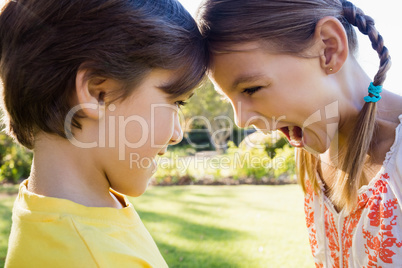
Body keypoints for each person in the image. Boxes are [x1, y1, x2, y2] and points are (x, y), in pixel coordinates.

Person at [1, 0, 207, 267]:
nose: (178, 134)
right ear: (98, 94)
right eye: (175, 102)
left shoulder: (53, 214)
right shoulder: (89, 257)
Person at [197, 0, 402, 267]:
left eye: (251, 89)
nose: (241, 120)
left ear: (328, 48)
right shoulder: (313, 154)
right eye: (229, 100)